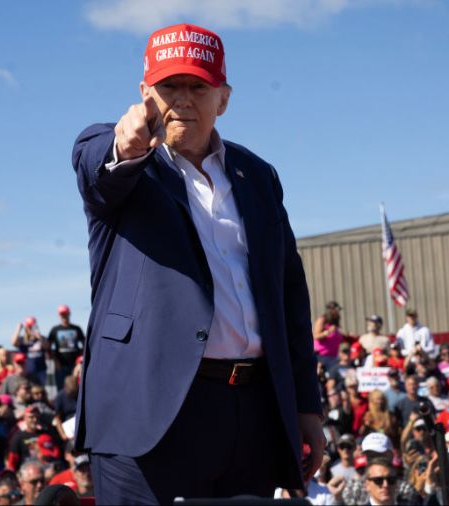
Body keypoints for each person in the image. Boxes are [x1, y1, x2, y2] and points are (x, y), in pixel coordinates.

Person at [72, 22, 323, 502]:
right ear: (145, 93)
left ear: (223, 99)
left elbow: (289, 294)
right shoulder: (121, 158)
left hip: (251, 412)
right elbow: (95, 169)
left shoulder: (259, 175)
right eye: (169, 87)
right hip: (147, 414)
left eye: (197, 87)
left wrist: (305, 407)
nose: (183, 100)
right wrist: (124, 147)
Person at [46, 305, 86, 388]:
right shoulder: (55, 329)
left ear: (69, 314)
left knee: (76, 387)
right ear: (59, 316)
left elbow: (84, 344)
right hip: (60, 365)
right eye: (62, 314)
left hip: (75, 365)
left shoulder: (76, 329)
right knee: (61, 387)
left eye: (65, 314)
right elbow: (48, 347)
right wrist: (55, 360)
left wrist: (80, 361)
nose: (64, 316)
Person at [313, 301, 346, 374]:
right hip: (322, 357)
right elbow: (315, 336)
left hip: (333, 357)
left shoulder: (333, 323)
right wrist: (327, 332)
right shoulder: (322, 320)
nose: (338, 312)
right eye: (336, 310)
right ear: (331, 310)